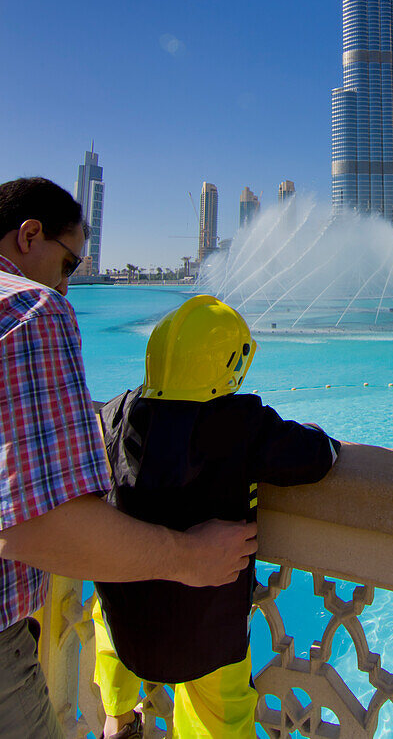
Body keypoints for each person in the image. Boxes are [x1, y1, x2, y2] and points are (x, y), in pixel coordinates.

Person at [0, 177, 258, 739]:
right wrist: (191, 557)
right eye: (68, 265)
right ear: (29, 236)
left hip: (123, 634)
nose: (67, 288)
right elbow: (37, 525)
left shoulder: (121, 411)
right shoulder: (29, 308)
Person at [92, 294, 340, 739]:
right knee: (219, 719)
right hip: (208, 630)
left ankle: (118, 720)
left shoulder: (116, 413)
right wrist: (323, 437)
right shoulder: (240, 423)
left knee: (105, 624)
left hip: (126, 622)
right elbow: (315, 457)